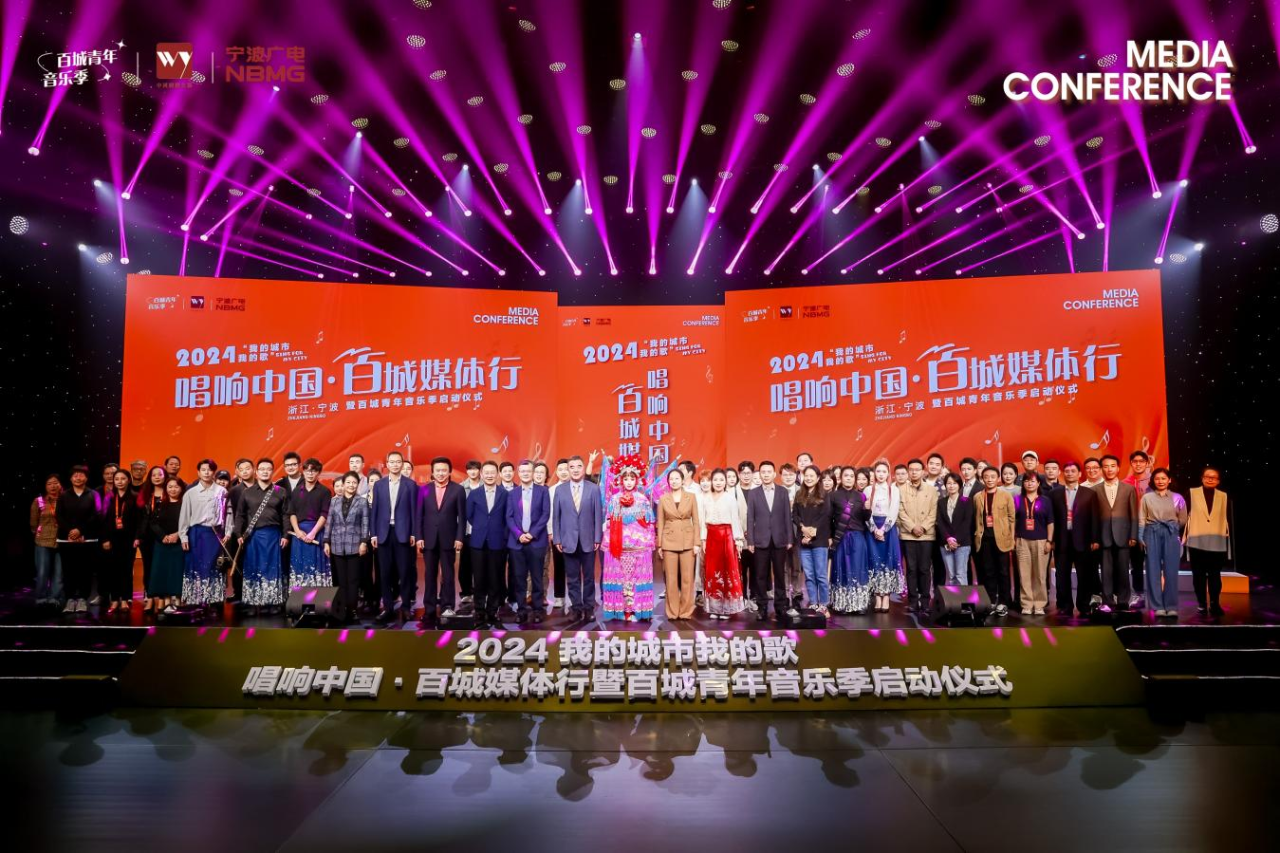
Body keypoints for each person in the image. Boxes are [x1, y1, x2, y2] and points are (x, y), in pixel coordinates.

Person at [599, 454, 657, 622]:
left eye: (632, 478)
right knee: (621, 579)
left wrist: (648, 542)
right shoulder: (614, 500)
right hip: (619, 547)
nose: (629, 482)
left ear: (637, 480)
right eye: (626, 479)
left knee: (636, 579)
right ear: (621, 480)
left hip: (639, 548)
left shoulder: (643, 500)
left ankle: (637, 609)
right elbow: (609, 522)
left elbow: (649, 523)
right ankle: (622, 609)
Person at [414, 456, 467, 623]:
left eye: (444, 470)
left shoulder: (458, 490)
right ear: (432, 472)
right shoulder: (424, 489)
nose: (441, 473)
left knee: (448, 574)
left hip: (449, 539)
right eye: (438, 470)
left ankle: (447, 606)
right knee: (430, 575)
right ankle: (429, 608)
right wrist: (419, 536)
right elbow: (419, 516)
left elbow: (462, 517)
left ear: (449, 471)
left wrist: (459, 537)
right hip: (428, 539)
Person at [234, 458, 289, 614]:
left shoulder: (280, 491)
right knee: (252, 567)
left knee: (272, 568)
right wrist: (238, 533)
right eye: (262, 469)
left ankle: (272, 603)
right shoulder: (247, 492)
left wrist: (285, 534)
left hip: (273, 535)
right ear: (256, 472)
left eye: (268, 469)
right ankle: (252, 603)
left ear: (272, 472)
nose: (265, 472)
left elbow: (286, 515)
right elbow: (240, 515)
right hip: (253, 536)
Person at [553, 455, 603, 622]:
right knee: (572, 578)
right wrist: (557, 539)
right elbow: (556, 517)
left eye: (578, 466)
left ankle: (589, 608)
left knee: (589, 577)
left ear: (583, 468)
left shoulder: (593, 489)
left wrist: (597, 537)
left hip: (588, 540)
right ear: (568, 469)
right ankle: (576, 608)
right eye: (572, 467)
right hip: (568, 541)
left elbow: (598, 515)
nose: (575, 470)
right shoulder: (560, 490)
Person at [370, 450, 417, 624]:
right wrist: (373, 533)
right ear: (387, 464)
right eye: (392, 462)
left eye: (398, 462)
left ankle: (406, 607)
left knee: (405, 572)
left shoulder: (410, 485)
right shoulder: (379, 485)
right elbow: (374, 511)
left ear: (402, 464)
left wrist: (414, 533)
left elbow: (414, 511)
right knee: (384, 573)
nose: (395, 465)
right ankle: (388, 607)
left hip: (403, 533)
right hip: (383, 533)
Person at [1051, 461, 1102, 616]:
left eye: (1073, 471)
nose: (1070, 473)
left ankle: (1083, 605)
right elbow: (1051, 519)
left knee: (1084, 575)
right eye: (1067, 471)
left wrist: (1095, 539)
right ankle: (1064, 606)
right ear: (1063, 474)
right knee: (1062, 575)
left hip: (1083, 540)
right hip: (1061, 539)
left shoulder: (1089, 493)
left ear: (1080, 474)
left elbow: (1095, 518)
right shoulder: (1054, 493)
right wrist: (1051, 540)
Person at [745, 460, 793, 621]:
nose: (766, 475)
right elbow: (750, 518)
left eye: (768, 472)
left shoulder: (782, 492)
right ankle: (762, 607)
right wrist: (750, 541)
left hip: (780, 539)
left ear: (774, 474)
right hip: (760, 540)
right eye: (763, 472)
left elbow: (787, 516)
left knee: (779, 575)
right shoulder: (753, 493)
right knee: (760, 575)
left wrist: (789, 538)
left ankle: (780, 607)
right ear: (760, 474)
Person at [177, 458, 228, 609]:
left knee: (214, 566)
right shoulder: (190, 493)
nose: (206, 473)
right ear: (198, 472)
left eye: (210, 470)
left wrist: (227, 533)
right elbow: (184, 516)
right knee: (196, 566)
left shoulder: (222, 491)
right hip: (196, 534)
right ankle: (196, 600)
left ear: (214, 473)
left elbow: (227, 515)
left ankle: (214, 600)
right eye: (203, 470)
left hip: (214, 534)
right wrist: (183, 536)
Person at [504, 459, 550, 625]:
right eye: (522, 471)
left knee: (537, 578)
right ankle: (521, 610)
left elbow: (545, 514)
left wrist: (531, 534)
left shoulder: (543, 491)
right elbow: (509, 517)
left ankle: (537, 610)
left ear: (533, 473)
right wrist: (519, 535)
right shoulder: (512, 493)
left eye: (528, 471)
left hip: (536, 542)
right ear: (518, 473)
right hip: (517, 543)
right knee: (519, 578)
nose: (525, 474)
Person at [1140, 468, 1188, 618]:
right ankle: (1157, 606)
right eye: (1157, 479)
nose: (1160, 481)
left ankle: (1171, 606)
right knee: (1153, 570)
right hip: (1151, 532)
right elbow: (1141, 518)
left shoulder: (1178, 497)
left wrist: (1172, 528)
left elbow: (1183, 519)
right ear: (1153, 481)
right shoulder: (1147, 497)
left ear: (1169, 480)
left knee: (1171, 570)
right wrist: (1140, 536)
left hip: (1170, 533)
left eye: (1163, 478)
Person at [698, 469, 746, 619]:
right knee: (712, 571)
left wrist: (738, 540)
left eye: (721, 480)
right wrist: (703, 539)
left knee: (727, 571)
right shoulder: (705, 498)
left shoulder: (730, 498)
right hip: (711, 536)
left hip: (727, 536)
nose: (718, 483)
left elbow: (735, 519)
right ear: (712, 482)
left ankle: (727, 608)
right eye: (715, 480)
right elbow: (702, 521)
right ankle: (715, 607)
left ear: (725, 482)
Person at [466, 461, 508, 629]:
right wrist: (481, 528)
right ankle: (479, 611)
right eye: (487, 472)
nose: (490, 475)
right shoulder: (474, 494)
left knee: (495, 578)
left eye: (493, 472)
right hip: (478, 541)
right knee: (479, 578)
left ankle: (492, 611)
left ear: (497, 474)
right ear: (482, 474)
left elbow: (507, 517)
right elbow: (469, 515)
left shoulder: (504, 494)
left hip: (498, 542)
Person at [57, 465, 102, 615]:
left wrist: (81, 531)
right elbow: (59, 516)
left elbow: (96, 515)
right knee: (69, 570)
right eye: (75, 475)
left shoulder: (94, 494)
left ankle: (83, 599)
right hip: (67, 540)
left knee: (85, 570)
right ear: (70, 478)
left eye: (81, 475)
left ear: (86, 478)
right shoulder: (63, 495)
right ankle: (70, 599)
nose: (78, 478)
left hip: (87, 540)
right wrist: (70, 532)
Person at [1095, 454, 1139, 611]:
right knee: (1106, 571)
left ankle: (1123, 600)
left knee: (1123, 570)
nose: (1109, 469)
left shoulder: (1129, 489)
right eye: (1106, 466)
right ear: (1102, 469)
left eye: (1112, 466)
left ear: (1118, 468)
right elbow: (1094, 517)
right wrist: (1095, 538)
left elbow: (1134, 514)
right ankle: (1107, 600)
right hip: (1103, 535)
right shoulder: (1094, 490)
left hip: (1124, 535)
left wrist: (1133, 535)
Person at [657, 468, 700, 621]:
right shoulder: (663, 499)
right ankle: (672, 612)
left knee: (687, 578)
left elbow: (696, 521)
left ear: (682, 480)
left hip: (688, 541)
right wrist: (660, 545)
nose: (674, 481)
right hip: (669, 541)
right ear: (668, 482)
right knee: (671, 579)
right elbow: (660, 522)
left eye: (677, 478)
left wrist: (697, 543)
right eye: (671, 479)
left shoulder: (691, 497)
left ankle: (686, 611)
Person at [325, 472, 368, 623]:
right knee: (340, 581)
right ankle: (341, 610)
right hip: (337, 545)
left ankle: (352, 610)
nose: (351, 485)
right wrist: (326, 541)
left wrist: (364, 542)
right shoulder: (334, 502)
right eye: (348, 482)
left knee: (353, 581)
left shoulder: (362, 501)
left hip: (355, 545)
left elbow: (365, 523)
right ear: (343, 484)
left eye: (354, 482)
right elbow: (329, 522)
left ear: (358, 484)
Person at [1185, 467, 1229, 616]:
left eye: (1214, 477)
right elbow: (1185, 515)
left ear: (1218, 481)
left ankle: (1215, 604)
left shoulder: (1223, 496)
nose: (1210, 479)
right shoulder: (1192, 493)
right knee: (1198, 575)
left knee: (1215, 574)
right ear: (1202, 478)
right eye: (1207, 476)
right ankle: (1202, 604)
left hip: (1217, 540)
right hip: (1197, 539)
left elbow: (1226, 518)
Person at [973, 466, 1016, 616]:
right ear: (982, 479)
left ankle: (1004, 601)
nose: (989, 479)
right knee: (988, 571)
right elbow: (977, 518)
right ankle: (991, 600)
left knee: (1003, 571)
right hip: (984, 539)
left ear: (998, 478)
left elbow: (1012, 518)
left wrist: (1011, 537)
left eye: (993, 477)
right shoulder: (977, 496)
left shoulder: (1005, 495)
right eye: (986, 477)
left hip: (1002, 539)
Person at [827, 467, 870, 614]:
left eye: (852, 476)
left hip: (857, 537)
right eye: (846, 475)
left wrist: (867, 510)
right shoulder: (833, 496)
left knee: (858, 569)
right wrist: (830, 537)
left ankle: (858, 605)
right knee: (841, 568)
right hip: (840, 538)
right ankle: (842, 604)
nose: (849, 478)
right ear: (841, 478)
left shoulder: (861, 496)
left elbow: (865, 519)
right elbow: (828, 519)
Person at [898, 459, 937, 613]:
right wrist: (912, 527)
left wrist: (923, 527)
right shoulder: (900, 490)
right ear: (908, 471)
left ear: (923, 471)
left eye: (917, 470)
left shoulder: (931, 490)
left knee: (925, 569)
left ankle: (925, 601)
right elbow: (900, 511)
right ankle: (913, 601)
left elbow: (933, 512)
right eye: (911, 470)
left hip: (927, 536)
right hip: (908, 535)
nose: (914, 472)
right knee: (911, 569)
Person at [1013, 472, 1054, 615]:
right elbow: (1013, 521)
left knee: (1040, 574)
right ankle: (1026, 604)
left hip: (1041, 541)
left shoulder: (1045, 500)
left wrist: (1049, 541)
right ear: (1023, 483)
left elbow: (1050, 522)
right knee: (1024, 574)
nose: (1029, 483)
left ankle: (1039, 604)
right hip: (1022, 541)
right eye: (1026, 481)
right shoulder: (1017, 499)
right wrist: (1013, 538)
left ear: (1038, 483)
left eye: (1032, 481)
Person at [792, 466, 831, 616]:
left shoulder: (824, 494)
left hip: (819, 540)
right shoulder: (799, 494)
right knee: (809, 575)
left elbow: (825, 515)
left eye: (811, 476)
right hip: (803, 540)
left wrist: (813, 531)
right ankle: (814, 603)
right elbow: (795, 515)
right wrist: (803, 529)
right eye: (806, 475)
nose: (808, 478)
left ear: (818, 477)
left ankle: (824, 604)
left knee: (820, 575)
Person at [100, 468, 141, 615]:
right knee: (113, 570)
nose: (120, 482)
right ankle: (114, 600)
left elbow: (140, 520)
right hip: (112, 539)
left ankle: (125, 599)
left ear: (128, 480)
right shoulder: (109, 498)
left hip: (129, 539)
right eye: (117, 479)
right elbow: (103, 520)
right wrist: (105, 538)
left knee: (126, 570)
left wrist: (137, 537)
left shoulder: (135, 497)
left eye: (123, 479)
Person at [864, 461, 902, 613]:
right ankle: (877, 596)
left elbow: (894, 510)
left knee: (888, 561)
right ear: (874, 473)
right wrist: (874, 529)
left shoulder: (894, 490)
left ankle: (886, 596)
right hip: (872, 528)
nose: (881, 474)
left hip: (888, 529)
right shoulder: (868, 490)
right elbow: (866, 512)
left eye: (884, 471)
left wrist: (883, 529)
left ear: (888, 474)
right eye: (878, 471)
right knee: (874, 562)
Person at [288, 458, 331, 589]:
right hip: (299, 534)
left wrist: (313, 533)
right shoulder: (296, 491)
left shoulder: (324, 491)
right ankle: (299, 599)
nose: (310, 474)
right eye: (307, 471)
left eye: (314, 471)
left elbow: (324, 514)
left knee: (317, 567)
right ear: (303, 472)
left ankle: (319, 600)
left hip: (316, 532)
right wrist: (297, 531)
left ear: (318, 473)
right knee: (299, 567)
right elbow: (292, 513)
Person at [148, 476, 186, 613]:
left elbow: (189, 522)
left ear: (181, 488)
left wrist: (178, 534)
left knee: (177, 572)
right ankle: (166, 601)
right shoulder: (160, 504)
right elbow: (153, 522)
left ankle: (178, 601)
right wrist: (163, 536)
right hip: (162, 543)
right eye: (170, 487)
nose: (173, 489)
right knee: (162, 572)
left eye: (176, 487)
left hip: (179, 544)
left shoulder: (185, 504)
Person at [137, 466, 167, 612]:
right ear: (150, 478)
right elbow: (140, 518)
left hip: (164, 536)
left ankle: (161, 599)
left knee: (162, 568)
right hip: (147, 537)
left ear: (164, 476)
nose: (156, 477)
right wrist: (138, 536)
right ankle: (149, 598)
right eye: (153, 475)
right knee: (148, 567)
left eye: (159, 474)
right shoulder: (145, 494)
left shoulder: (169, 493)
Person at [1124, 450, 1153, 604]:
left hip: (1152, 527)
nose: (1138, 464)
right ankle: (1139, 595)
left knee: (1154, 564)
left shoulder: (1155, 481)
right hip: (1133, 528)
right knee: (1136, 564)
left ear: (1147, 463)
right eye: (1135, 461)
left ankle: (1157, 597)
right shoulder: (1125, 483)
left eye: (1141, 461)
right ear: (1131, 463)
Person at [936, 473, 975, 586]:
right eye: (949, 483)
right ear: (945, 485)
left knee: (960, 574)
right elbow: (940, 522)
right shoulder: (941, 502)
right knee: (951, 575)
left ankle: (963, 598)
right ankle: (952, 598)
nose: (951, 486)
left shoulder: (966, 501)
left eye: (954, 483)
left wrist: (956, 540)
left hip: (962, 543)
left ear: (959, 485)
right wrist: (948, 538)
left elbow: (967, 523)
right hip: (945, 543)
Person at [31, 475, 63, 606]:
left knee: (59, 573)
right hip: (43, 541)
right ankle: (41, 597)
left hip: (62, 540)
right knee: (42, 571)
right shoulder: (38, 501)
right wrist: (40, 532)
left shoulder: (65, 499)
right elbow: (33, 523)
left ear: (60, 484)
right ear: (45, 487)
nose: (53, 486)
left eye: (55, 483)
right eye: (49, 484)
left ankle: (54, 597)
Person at [545, 458, 570, 612]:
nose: (563, 472)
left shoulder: (577, 487)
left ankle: (575, 597)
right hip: (558, 534)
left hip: (575, 535)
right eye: (560, 470)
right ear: (556, 472)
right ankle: (559, 597)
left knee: (574, 568)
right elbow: (549, 514)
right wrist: (550, 532)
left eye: (566, 469)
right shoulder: (552, 490)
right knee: (559, 566)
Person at [458, 459, 483, 605]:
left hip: (482, 532)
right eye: (470, 469)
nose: (473, 472)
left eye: (475, 469)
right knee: (465, 564)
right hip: (467, 531)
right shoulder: (461, 488)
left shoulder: (486, 485)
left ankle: (481, 592)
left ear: (480, 470)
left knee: (481, 564)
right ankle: (466, 592)